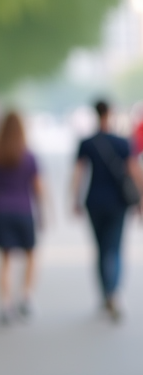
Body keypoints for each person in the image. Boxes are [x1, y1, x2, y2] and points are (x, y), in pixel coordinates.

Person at [73, 99, 141, 322]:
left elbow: (79, 174)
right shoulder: (122, 142)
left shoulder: (87, 142)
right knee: (115, 247)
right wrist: (141, 199)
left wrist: (74, 199)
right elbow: (134, 171)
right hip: (118, 203)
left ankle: (106, 293)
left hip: (94, 201)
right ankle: (113, 291)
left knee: (101, 249)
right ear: (110, 113)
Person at [0, 111, 43, 324]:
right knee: (30, 256)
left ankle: (4, 304)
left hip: (1, 211)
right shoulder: (29, 157)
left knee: (5, 260)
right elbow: (38, 188)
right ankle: (26, 297)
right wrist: (43, 214)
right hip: (23, 211)